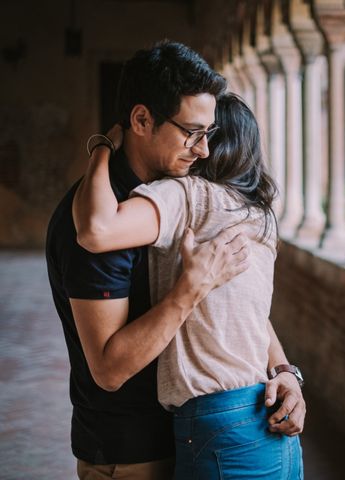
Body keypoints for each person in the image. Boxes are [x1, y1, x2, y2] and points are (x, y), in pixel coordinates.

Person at [46, 41, 303, 480]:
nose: (203, 150)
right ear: (142, 120)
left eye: (209, 134)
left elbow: (239, 299)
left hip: (193, 439)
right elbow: (109, 370)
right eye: (192, 132)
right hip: (132, 453)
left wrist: (282, 369)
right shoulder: (97, 218)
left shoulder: (185, 195)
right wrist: (190, 289)